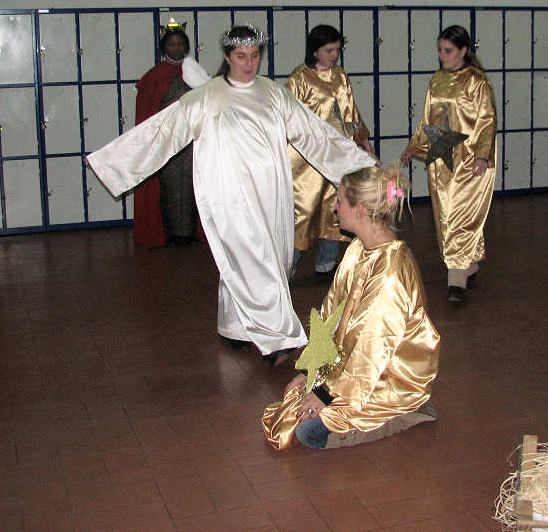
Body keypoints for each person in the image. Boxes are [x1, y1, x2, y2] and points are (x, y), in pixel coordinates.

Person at [87, 24, 375, 367]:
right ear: (227, 57)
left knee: (270, 259)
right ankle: (278, 339)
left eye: (254, 56)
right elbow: (163, 131)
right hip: (229, 194)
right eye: (241, 56)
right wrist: (112, 162)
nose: (249, 64)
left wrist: (362, 167)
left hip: (272, 192)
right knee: (254, 257)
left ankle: (234, 327)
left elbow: (316, 135)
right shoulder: (208, 96)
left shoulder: (273, 93)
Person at [262, 164, 440, 450]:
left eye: (340, 201)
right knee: (293, 403)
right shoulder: (358, 248)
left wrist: (326, 395)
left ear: (358, 210)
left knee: (309, 432)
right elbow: (330, 315)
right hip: (350, 366)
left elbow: (373, 348)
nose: (335, 208)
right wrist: (310, 372)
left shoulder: (391, 273)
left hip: (389, 375)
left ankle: (409, 409)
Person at [400, 25, 497, 303]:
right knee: (445, 216)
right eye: (440, 50)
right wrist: (414, 147)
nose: (442, 56)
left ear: (463, 51)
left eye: (448, 50)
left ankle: (456, 279)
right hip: (441, 162)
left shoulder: (478, 82)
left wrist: (483, 154)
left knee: (460, 216)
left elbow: (487, 119)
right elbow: (427, 120)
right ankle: (467, 263)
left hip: (469, 162)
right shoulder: (437, 80)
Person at [286, 24, 374, 278]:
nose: (335, 55)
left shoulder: (340, 76)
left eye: (337, 50)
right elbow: (288, 116)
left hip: (337, 156)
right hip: (308, 161)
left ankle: (326, 263)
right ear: (315, 51)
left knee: (335, 208)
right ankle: (287, 267)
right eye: (329, 50)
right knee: (302, 212)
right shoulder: (299, 78)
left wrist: (363, 140)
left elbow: (351, 111)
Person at [132, 19, 210, 248]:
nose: (176, 48)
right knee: (170, 188)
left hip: (192, 141)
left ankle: (192, 232)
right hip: (167, 142)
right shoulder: (155, 76)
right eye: (171, 44)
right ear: (164, 48)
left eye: (180, 44)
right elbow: (148, 111)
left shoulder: (195, 72)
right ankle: (171, 233)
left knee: (193, 186)